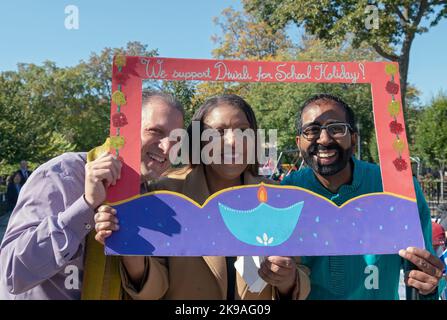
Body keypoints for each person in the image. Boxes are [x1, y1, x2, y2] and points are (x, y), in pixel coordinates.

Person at [95, 94, 311, 300]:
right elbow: (151, 290)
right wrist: (130, 249)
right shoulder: (164, 194)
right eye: (217, 132)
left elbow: (298, 276)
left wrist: (287, 279)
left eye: (243, 131)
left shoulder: (279, 198)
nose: (232, 142)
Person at [0, 91, 185, 299]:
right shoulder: (64, 173)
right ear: (125, 130)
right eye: (155, 131)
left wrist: (134, 256)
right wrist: (86, 205)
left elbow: (155, 290)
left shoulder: (152, 200)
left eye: (177, 139)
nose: (167, 146)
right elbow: (11, 274)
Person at [281, 93, 444, 300]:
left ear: (354, 138)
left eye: (336, 128)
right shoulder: (285, 195)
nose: (324, 139)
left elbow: (422, 278)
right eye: (312, 130)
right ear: (299, 142)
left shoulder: (399, 191)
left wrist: (428, 286)